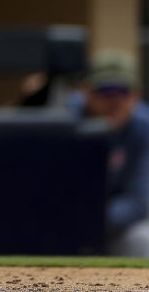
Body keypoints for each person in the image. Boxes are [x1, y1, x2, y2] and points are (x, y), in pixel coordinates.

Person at [72, 51, 149, 256]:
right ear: (86, 92)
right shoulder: (64, 121)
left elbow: (137, 203)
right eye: (105, 91)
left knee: (144, 240)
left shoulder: (143, 129)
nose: (114, 101)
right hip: (65, 225)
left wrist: (91, 217)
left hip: (116, 227)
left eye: (123, 91)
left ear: (136, 96)